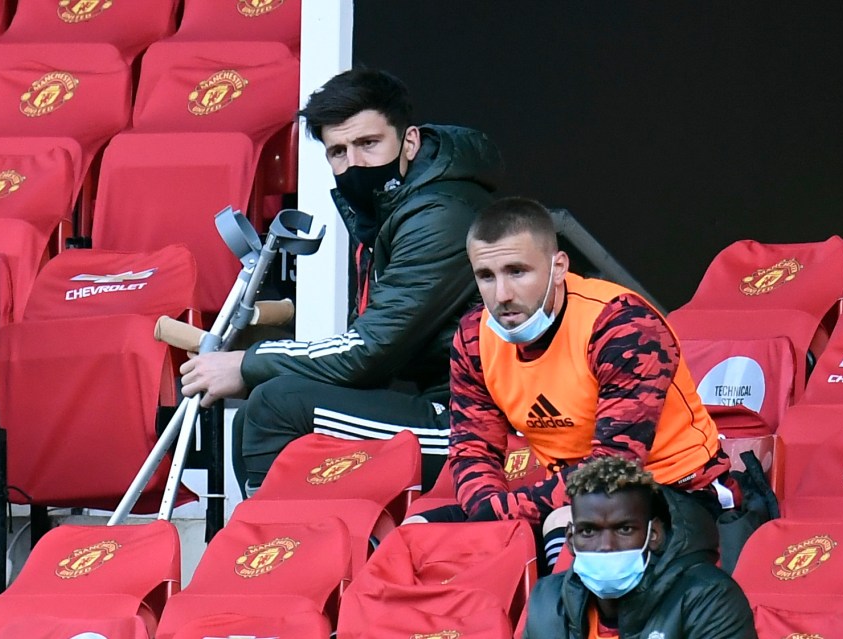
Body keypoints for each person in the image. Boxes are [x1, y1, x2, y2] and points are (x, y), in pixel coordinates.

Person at [179, 69, 502, 495]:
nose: (354, 164)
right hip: (444, 404)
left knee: (275, 407)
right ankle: (306, 545)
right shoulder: (388, 210)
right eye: (338, 152)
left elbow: (368, 352)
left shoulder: (439, 215)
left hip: (477, 425)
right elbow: (365, 356)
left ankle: (281, 551)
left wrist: (247, 363)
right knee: (266, 407)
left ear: (409, 142)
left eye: (368, 144)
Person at [410, 196, 734, 561]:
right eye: (486, 276)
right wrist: (487, 508)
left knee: (565, 524)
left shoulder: (623, 327)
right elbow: (473, 448)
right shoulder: (473, 337)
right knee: (415, 534)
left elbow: (614, 468)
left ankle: (559, 619)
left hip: (679, 491)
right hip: (566, 493)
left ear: (559, 267)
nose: (502, 295)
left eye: (517, 271)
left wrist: (501, 512)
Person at [522, 456, 757, 639]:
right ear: (571, 540)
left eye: (624, 529)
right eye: (589, 531)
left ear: (653, 534)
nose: (605, 546)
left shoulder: (709, 597)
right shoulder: (548, 600)